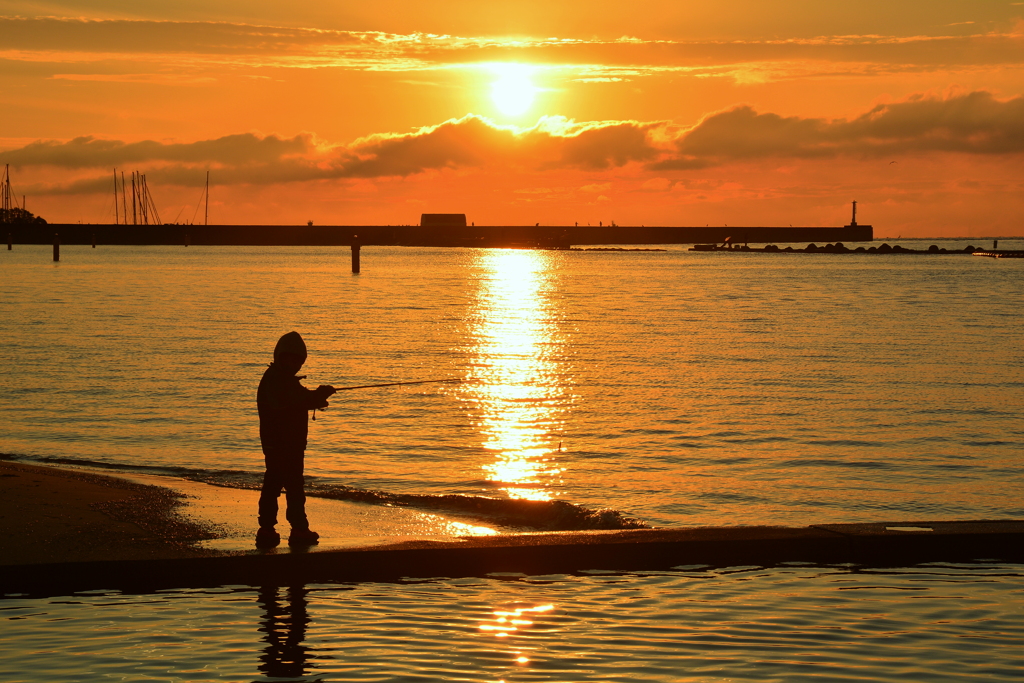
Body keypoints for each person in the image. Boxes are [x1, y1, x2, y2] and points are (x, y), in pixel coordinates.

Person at [256, 331, 336, 548]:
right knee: (285, 484)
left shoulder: (281, 379)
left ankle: (276, 528)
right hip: (281, 443)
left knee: (283, 484)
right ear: (281, 356)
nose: (295, 364)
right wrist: (320, 395)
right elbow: (294, 401)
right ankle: (288, 529)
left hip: (286, 443)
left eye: (298, 360)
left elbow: (300, 399)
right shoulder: (277, 380)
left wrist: (319, 396)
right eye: (291, 359)